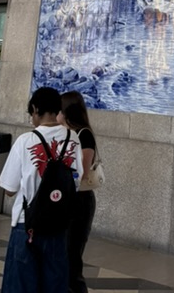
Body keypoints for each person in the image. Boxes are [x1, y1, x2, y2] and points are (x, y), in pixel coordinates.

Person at [0, 86, 83, 293]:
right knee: (54, 286)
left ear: (36, 109)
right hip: (58, 225)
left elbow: (9, 188)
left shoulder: (25, 141)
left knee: (20, 287)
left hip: (26, 224)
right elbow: (77, 181)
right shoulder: (73, 139)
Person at [58, 91, 99, 293]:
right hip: (66, 199)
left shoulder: (84, 134)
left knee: (72, 256)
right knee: (63, 255)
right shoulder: (67, 134)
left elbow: (81, 171)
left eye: (59, 110)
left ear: (67, 112)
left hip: (80, 201)